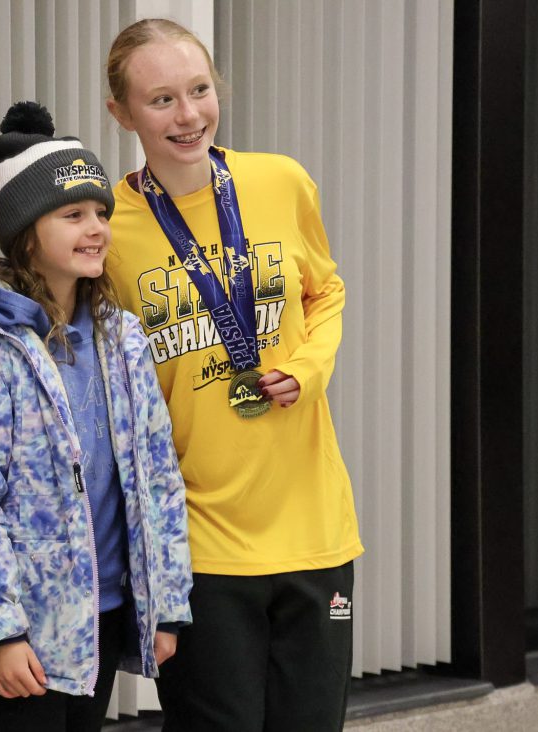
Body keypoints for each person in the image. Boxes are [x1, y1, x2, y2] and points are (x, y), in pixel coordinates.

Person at [104, 19, 364, 732]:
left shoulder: (280, 181)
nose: (188, 115)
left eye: (199, 90)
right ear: (121, 113)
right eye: (161, 100)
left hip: (313, 527)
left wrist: (308, 367)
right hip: (201, 541)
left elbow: (326, 290)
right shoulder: (110, 229)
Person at [0, 101, 193, 732]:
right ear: (26, 233)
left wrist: (165, 605)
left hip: (109, 609)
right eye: (72, 215)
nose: (95, 228)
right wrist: (0, 632)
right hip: (30, 625)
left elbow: (159, 479)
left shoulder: (123, 338)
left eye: (99, 213)